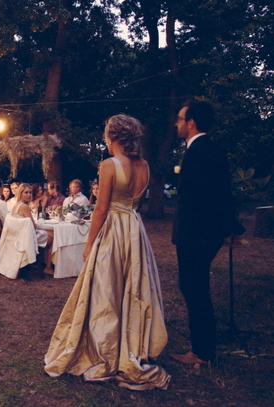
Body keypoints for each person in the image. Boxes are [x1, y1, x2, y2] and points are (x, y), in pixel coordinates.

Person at [44, 114, 170, 390]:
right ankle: (133, 342)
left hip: (114, 229)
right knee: (133, 286)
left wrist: (89, 245)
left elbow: (100, 209)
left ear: (111, 137)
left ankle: (107, 348)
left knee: (106, 287)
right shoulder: (145, 166)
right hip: (135, 230)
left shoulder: (110, 164)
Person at [170, 100, 245, 365]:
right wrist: (230, 228)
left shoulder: (200, 151)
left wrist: (226, 228)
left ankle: (201, 353)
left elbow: (209, 196)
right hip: (203, 232)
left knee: (194, 288)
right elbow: (223, 192)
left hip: (196, 234)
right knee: (194, 287)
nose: (176, 123)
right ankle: (203, 348)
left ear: (191, 123)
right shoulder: (206, 148)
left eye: (180, 119)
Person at [11, 183, 51, 248]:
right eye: (26, 192)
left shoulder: (16, 205)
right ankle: (45, 258)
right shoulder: (24, 207)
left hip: (19, 234)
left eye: (30, 192)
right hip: (26, 236)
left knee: (48, 233)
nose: (29, 195)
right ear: (20, 193)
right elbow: (33, 226)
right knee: (52, 238)